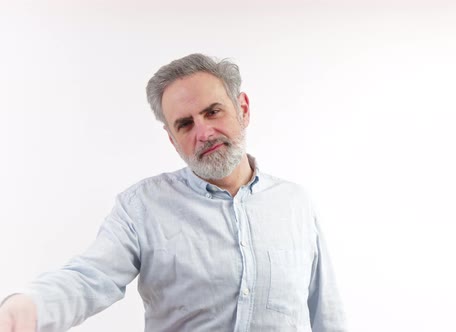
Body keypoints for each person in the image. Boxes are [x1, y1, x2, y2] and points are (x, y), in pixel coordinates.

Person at [0, 53, 346, 332]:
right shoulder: (141, 207)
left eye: (213, 111)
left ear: (243, 108)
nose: (204, 132)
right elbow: (90, 278)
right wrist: (27, 308)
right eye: (185, 123)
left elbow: (325, 312)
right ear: (171, 138)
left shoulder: (294, 202)